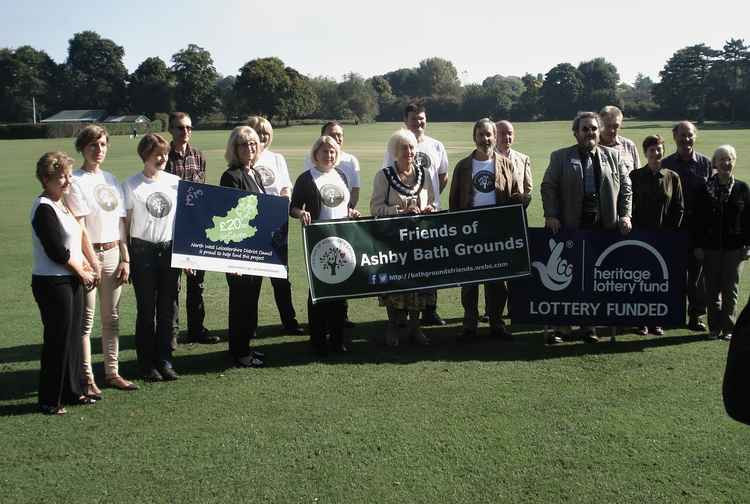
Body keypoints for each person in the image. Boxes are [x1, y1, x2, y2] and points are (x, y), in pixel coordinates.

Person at [540, 111, 632, 344]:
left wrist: (625, 215)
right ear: (576, 132)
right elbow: (548, 186)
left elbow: (626, 188)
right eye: (585, 129)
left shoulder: (613, 156)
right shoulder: (560, 157)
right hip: (571, 227)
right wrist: (551, 214)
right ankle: (562, 328)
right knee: (565, 279)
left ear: (598, 131)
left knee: (594, 279)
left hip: (603, 227)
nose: (590, 133)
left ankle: (589, 326)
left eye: (593, 128)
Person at [66, 125, 137, 393]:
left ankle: (112, 372)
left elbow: (120, 224)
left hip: (113, 254)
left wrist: (125, 258)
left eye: (103, 145)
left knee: (112, 318)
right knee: (86, 320)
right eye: (93, 145)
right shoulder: (75, 181)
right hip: (88, 256)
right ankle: (87, 377)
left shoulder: (110, 179)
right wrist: (90, 261)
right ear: (82, 148)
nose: (99, 150)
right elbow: (80, 227)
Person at [31, 151, 98, 414]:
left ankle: (73, 392)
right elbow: (56, 250)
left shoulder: (62, 204)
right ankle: (49, 399)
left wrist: (86, 267)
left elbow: (76, 238)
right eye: (62, 177)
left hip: (70, 280)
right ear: (46, 179)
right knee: (57, 340)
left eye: (69, 175)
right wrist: (80, 271)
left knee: (71, 338)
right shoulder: (43, 207)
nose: (67, 181)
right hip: (52, 283)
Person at [449, 118, 523, 342]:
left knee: (497, 283)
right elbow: (454, 202)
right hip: (469, 233)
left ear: (495, 137)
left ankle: (496, 323)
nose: (485, 139)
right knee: (469, 282)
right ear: (475, 137)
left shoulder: (506, 164)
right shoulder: (462, 166)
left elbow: (514, 195)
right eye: (481, 134)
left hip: (497, 233)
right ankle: (469, 323)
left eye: (489, 134)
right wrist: (457, 230)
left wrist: (522, 200)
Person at [291, 136, 361, 356]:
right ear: (315, 154)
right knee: (319, 292)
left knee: (340, 292)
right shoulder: (306, 178)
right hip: (318, 241)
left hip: (342, 239)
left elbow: (345, 205)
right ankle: (318, 340)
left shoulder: (340, 175)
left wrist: (351, 212)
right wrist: (301, 213)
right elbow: (292, 207)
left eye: (332, 151)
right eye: (324, 151)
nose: (329, 155)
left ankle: (338, 339)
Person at [383, 102, 449, 326]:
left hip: (430, 215)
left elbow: (443, 176)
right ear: (405, 120)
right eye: (413, 119)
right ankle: (401, 316)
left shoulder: (436, 146)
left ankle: (430, 310)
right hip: (402, 219)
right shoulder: (395, 145)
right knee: (406, 266)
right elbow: (389, 177)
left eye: (421, 118)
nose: (418, 122)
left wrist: (431, 200)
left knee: (429, 264)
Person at [370, 129, 437, 346]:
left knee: (419, 284)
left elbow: (434, 203)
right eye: (403, 148)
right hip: (393, 242)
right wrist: (399, 211)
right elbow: (376, 208)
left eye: (411, 148)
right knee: (395, 286)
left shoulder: (424, 174)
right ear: (394, 151)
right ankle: (393, 328)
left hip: (420, 240)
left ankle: (415, 329)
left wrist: (428, 209)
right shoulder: (384, 176)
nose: (408, 152)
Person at [123, 134, 181, 382]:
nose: (162, 158)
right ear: (144, 155)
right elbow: (125, 224)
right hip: (142, 252)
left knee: (168, 309)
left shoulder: (175, 182)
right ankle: (146, 364)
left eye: (165, 153)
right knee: (147, 310)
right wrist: (125, 257)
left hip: (169, 251)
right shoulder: (131, 185)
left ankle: (165, 360)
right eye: (156, 154)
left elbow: (182, 221)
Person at [245, 116, 302, 336]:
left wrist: (283, 199)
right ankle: (249, 326)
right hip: (253, 227)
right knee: (254, 280)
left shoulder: (277, 158)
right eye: (257, 133)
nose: (262, 137)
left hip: (278, 225)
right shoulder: (246, 159)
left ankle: (289, 321)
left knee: (281, 278)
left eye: (266, 133)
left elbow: (286, 186)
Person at [165, 112, 218, 345]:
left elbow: (203, 192)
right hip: (171, 228)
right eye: (179, 128)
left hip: (196, 228)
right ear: (171, 130)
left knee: (197, 283)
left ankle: (197, 329)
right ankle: (171, 334)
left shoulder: (198, 156)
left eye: (188, 127)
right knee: (172, 285)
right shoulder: (163, 157)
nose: (184, 131)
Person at [219, 126, 267, 368]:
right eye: (243, 144)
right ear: (234, 149)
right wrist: (234, 260)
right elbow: (232, 219)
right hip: (240, 253)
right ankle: (238, 353)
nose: (249, 148)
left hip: (256, 252)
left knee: (250, 301)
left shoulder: (255, 173)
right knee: (240, 304)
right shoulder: (232, 176)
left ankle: (246, 348)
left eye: (253, 144)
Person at [693, 145, 750, 341]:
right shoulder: (704, 189)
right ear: (714, 163)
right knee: (712, 290)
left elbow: (748, 219)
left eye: (729, 159)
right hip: (709, 247)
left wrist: (747, 245)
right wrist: (698, 246)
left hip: (735, 249)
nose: (726, 163)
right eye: (722, 159)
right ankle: (714, 328)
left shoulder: (743, 188)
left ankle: (729, 328)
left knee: (730, 289)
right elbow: (697, 220)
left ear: (734, 162)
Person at [630, 134, 684, 336]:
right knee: (640, 280)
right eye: (652, 149)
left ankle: (656, 321)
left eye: (659, 149)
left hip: (664, 238)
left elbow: (679, 207)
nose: (656, 153)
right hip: (640, 236)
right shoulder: (635, 176)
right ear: (645, 153)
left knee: (659, 281)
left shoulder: (672, 177)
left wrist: (670, 234)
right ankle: (640, 322)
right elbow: (628, 206)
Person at [661, 121, 713, 332]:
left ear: (695, 136)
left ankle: (696, 316)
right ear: (675, 137)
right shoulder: (665, 163)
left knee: (697, 276)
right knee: (673, 273)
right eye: (682, 135)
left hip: (698, 229)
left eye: (689, 135)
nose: (686, 139)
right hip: (674, 228)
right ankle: (672, 314)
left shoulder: (706, 163)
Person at [480, 120, 533, 324]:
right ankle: (489, 309)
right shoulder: (485, 160)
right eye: (502, 133)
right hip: (490, 223)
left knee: (514, 266)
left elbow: (527, 190)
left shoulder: (523, 158)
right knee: (491, 268)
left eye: (510, 133)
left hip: (514, 221)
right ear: (495, 135)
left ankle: (514, 307)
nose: (507, 137)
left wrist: (516, 209)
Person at [315, 120, 361, 328]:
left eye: (340, 136)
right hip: (320, 232)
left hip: (342, 227)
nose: (337, 139)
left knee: (342, 272)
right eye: (333, 135)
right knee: (322, 277)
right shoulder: (311, 168)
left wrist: (350, 210)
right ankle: (321, 323)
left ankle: (340, 320)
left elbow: (353, 192)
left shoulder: (347, 165)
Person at [598, 106, 641, 172]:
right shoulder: (592, 148)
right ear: (599, 124)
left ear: (620, 126)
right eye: (608, 126)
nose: (612, 130)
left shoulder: (628, 145)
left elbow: (638, 175)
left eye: (615, 126)